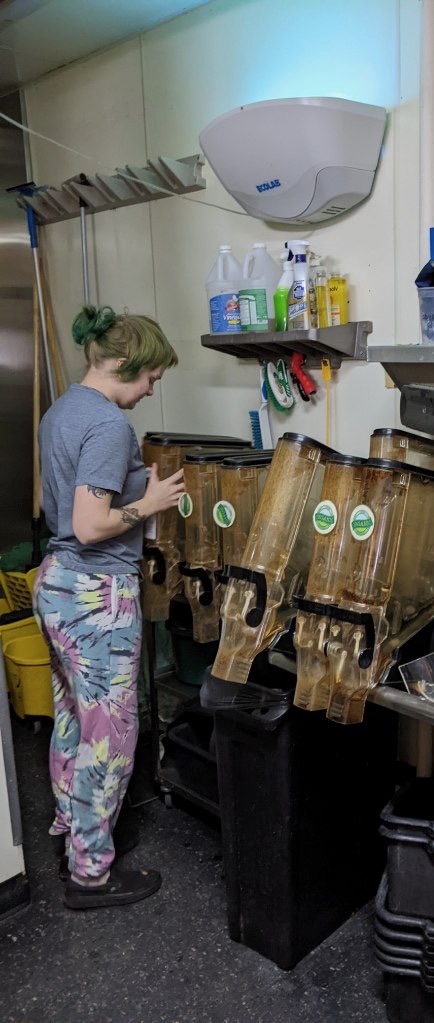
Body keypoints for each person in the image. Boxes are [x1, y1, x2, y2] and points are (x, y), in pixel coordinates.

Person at [32, 304, 186, 910]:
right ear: (122, 362)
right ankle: (92, 874)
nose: (151, 388)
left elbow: (59, 511)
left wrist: (129, 490)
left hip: (57, 583)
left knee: (73, 721)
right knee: (112, 737)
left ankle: (71, 830)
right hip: (95, 592)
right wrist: (152, 503)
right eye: (150, 377)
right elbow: (91, 524)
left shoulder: (60, 411)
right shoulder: (109, 426)